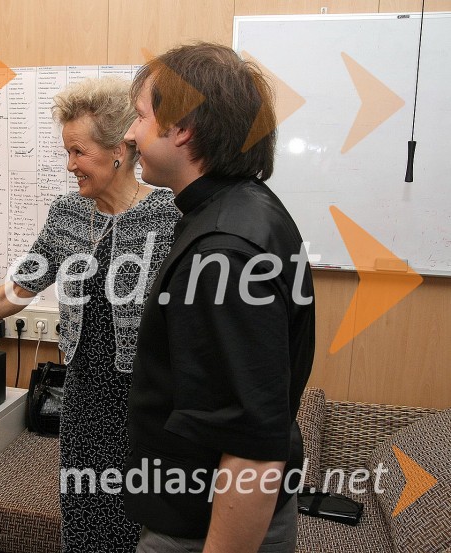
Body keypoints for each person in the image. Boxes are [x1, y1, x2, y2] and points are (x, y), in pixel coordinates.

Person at [0, 77, 180, 553]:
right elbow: (20, 288)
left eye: (78, 152)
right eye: (66, 152)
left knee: (137, 528)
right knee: (83, 522)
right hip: (83, 399)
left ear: (119, 150)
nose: (70, 166)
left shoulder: (169, 216)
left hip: (147, 406)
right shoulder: (68, 214)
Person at [122, 43, 315, 553]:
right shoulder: (244, 209)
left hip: (205, 529)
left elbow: (250, 448)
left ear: (182, 128)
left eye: (141, 117)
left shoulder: (225, 250)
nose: (130, 134)